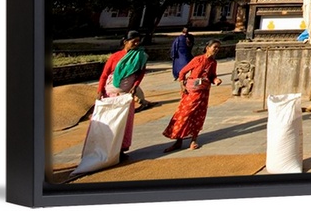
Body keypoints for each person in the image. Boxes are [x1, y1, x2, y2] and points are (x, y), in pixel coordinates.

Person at [162, 39, 223, 151]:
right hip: (191, 93)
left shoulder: (213, 63)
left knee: (198, 116)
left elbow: (212, 76)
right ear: (207, 48)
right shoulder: (197, 60)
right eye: (215, 47)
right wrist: (182, 85)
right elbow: (182, 72)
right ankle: (178, 140)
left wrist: (216, 80)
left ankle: (194, 139)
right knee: (184, 115)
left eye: (218, 48)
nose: (217, 50)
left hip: (203, 93)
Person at [96, 30, 149, 160]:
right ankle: (107, 150)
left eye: (138, 41)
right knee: (111, 123)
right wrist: (99, 91)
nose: (136, 44)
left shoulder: (140, 56)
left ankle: (120, 150)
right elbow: (104, 74)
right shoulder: (115, 57)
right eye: (134, 41)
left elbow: (140, 74)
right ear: (125, 42)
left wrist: (135, 86)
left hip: (126, 96)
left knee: (123, 124)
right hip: (110, 95)